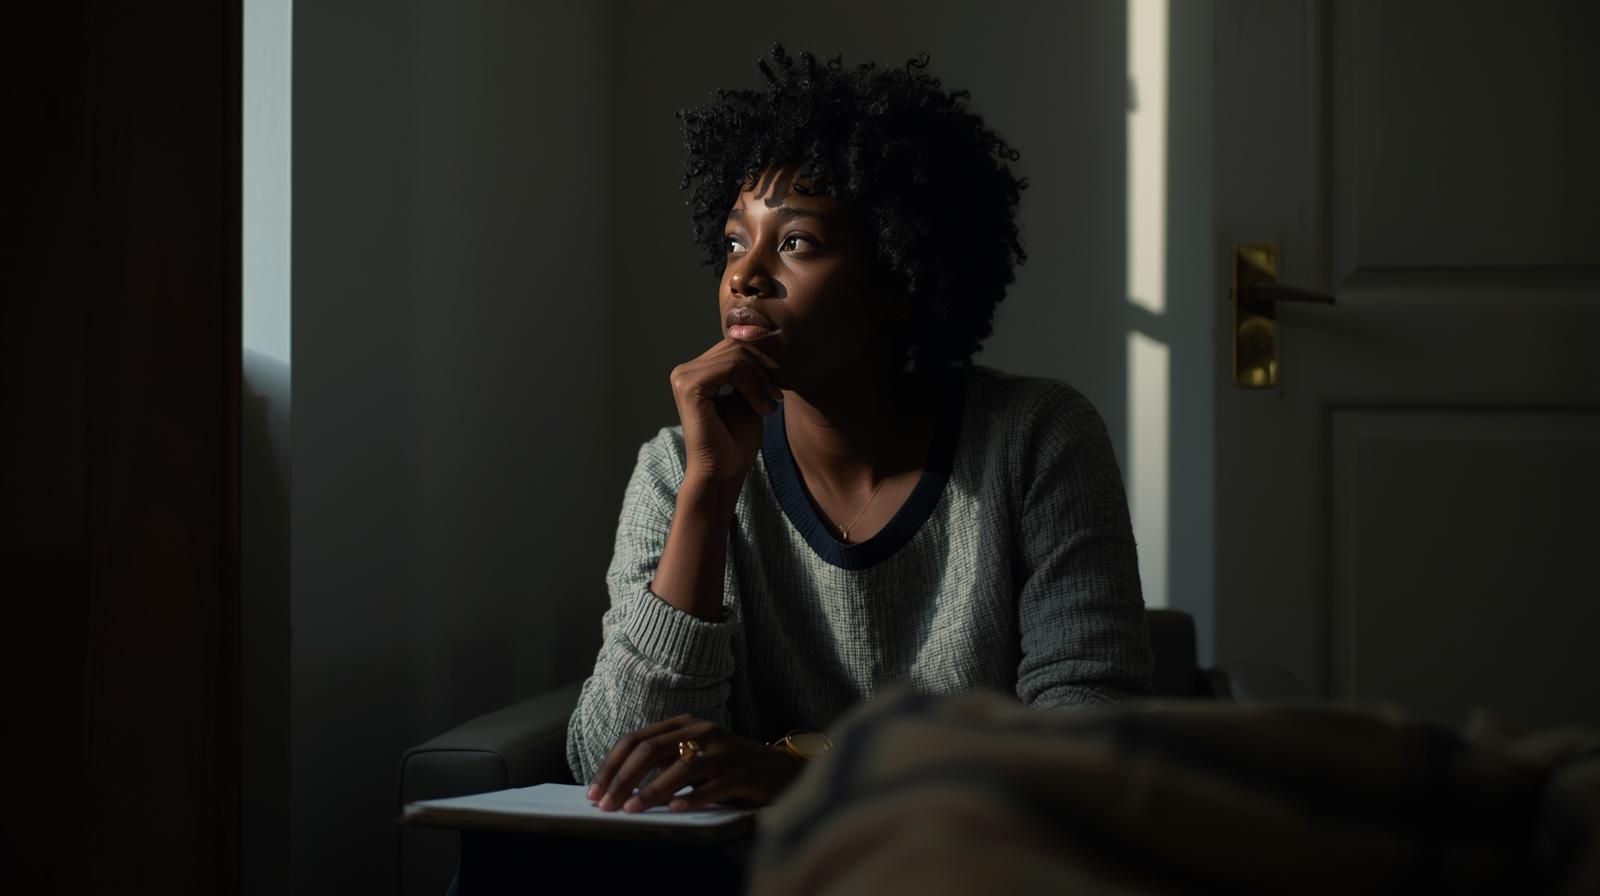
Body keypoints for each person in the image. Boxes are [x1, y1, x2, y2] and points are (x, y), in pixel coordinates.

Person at [570, 44, 1153, 818]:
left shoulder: (1038, 441)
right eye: (736, 241)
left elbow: (1089, 749)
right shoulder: (679, 467)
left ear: (899, 278)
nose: (744, 275)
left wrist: (816, 780)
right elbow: (620, 769)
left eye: (797, 242)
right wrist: (708, 495)